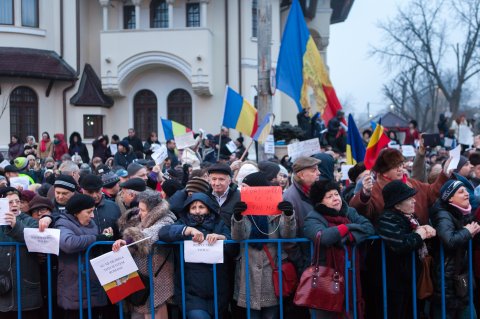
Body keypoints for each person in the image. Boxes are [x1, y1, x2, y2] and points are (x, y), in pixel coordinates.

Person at [303, 180, 374, 319]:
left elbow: (369, 228)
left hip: (350, 274)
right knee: (327, 312)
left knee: (351, 310)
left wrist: (348, 236)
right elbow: (324, 237)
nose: (336, 198)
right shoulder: (313, 217)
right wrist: (346, 227)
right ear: (320, 202)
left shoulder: (348, 211)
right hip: (326, 278)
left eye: (336, 194)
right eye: (329, 196)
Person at [231, 172, 296, 318]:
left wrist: (288, 215)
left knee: (271, 314)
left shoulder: (276, 209)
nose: (243, 191)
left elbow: (288, 235)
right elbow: (237, 237)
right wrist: (237, 218)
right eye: (242, 188)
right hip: (248, 270)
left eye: (247, 188)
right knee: (252, 313)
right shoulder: (242, 209)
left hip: (272, 267)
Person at [158, 193, 232, 318]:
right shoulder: (182, 222)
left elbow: (233, 247)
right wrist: (187, 230)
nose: (197, 211)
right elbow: (163, 233)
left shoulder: (219, 224)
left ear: (208, 208)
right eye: (193, 207)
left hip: (218, 289)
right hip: (191, 292)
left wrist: (222, 238)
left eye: (201, 207)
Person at [377, 181, 437, 318]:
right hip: (394, 282)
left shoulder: (410, 218)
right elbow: (401, 244)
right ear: (397, 204)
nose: (414, 201)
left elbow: (415, 235)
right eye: (409, 199)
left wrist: (425, 229)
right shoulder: (387, 218)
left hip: (410, 279)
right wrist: (419, 234)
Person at [113, 190, 176, 319]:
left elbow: (150, 233)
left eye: (143, 210)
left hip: (156, 276)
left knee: (154, 309)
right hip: (140, 277)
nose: (139, 213)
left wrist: (127, 241)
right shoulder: (138, 217)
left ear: (153, 210)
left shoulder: (166, 219)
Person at [55, 194, 112, 319]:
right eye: (88, 212)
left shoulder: (91, 223)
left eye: (92, 211)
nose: (92, 215)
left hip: (93, 282)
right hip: (75, 285)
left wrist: (104, 237)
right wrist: (96, 239)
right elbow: (68, 243)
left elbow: (90, 241)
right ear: (76, 212)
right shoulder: (63, 223)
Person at [430, 180, 480, 318]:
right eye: (461, 191)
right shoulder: (442, 214)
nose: (466, 194)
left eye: (466, 191)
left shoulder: (464, 213)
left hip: (461, 278)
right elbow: (449, 240)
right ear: (450, 197)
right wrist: (468, 232)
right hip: (447, 280)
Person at [0, 187, 51, 319]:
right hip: (3, 290)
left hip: (26, 290)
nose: (15, 205)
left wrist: (15, 225)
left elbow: (36, 240)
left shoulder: (30, 221)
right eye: (10, 202)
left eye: (18, 201)